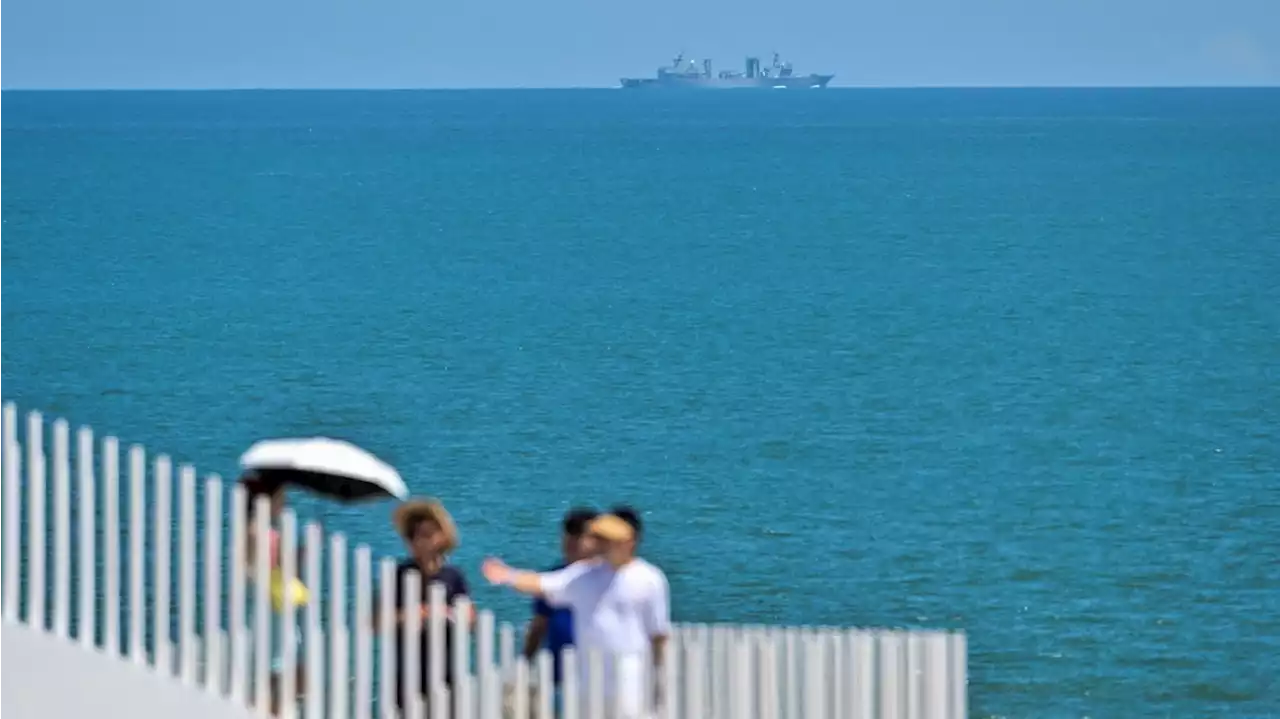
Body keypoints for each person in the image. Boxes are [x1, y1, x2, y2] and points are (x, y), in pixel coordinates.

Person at [483, 507, 670, 718]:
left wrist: (660, 678)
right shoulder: (585, 575)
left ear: (629, 542)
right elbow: (543, 584)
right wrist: (508, 575)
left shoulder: (649, 578)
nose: (601, 544)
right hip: (586, 682)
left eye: (607, 539)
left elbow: (659, 634)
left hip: (630, 681)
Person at [376, 497, 474, 716]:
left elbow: (471, 619)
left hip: (447, 672)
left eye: (431, 533)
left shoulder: (453, 576)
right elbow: (378, 622)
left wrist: (450, 613)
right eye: (420, 535)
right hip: (409, 672)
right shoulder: (400, 574)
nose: (426, 541)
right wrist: (415, 613)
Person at [240, 473, 307, 716]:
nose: (285, 502)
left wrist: (297, 554)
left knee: (290, 672)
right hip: (269, 610)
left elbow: (281, 570)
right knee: (276, 674)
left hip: (278, 608)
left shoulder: (265, 530)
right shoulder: (255, 531)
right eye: (281, 497)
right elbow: (258, 569)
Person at [521, 508, 598, 703]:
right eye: (569, 533)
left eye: (580, 534)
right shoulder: (552, 578)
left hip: (597, 677)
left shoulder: (608, 579)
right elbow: (539, 625)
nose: (572, 540)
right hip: (556, 678)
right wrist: (524, 663)